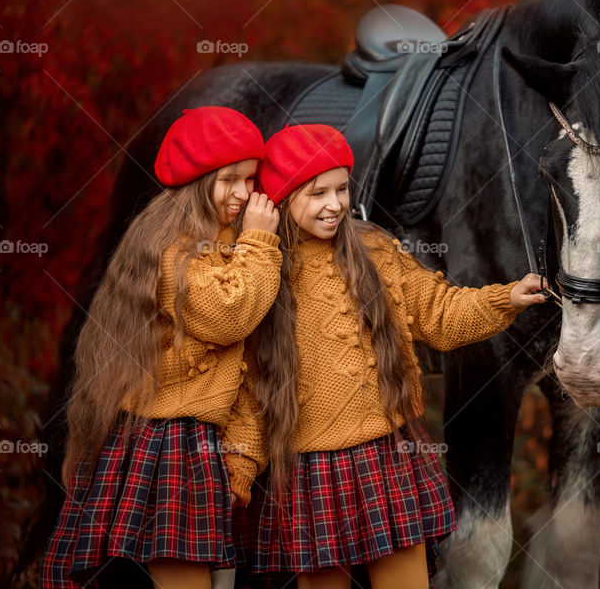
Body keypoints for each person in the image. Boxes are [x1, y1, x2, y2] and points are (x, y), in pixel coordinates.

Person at [223, 124, 545, 589]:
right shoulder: (265, 272)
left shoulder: (374, 249)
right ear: (279, 199)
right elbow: (253, 387)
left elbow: (439, 312)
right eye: (317, 193)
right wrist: (238, 467)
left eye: (342, 188)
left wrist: (505, 298)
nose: (335, 204)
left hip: (386, 454)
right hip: (310, 468)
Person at [40, 106, 281, 589]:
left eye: (249, 179)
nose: (242, 193)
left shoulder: (235, 246)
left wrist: (241, 463)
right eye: (228, 180)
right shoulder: (176, 248)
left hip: (211, 442)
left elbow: (248, 372)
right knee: (183, 576)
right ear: (196, 183)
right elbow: (227, 315)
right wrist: (258, 242)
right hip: (171, 439)